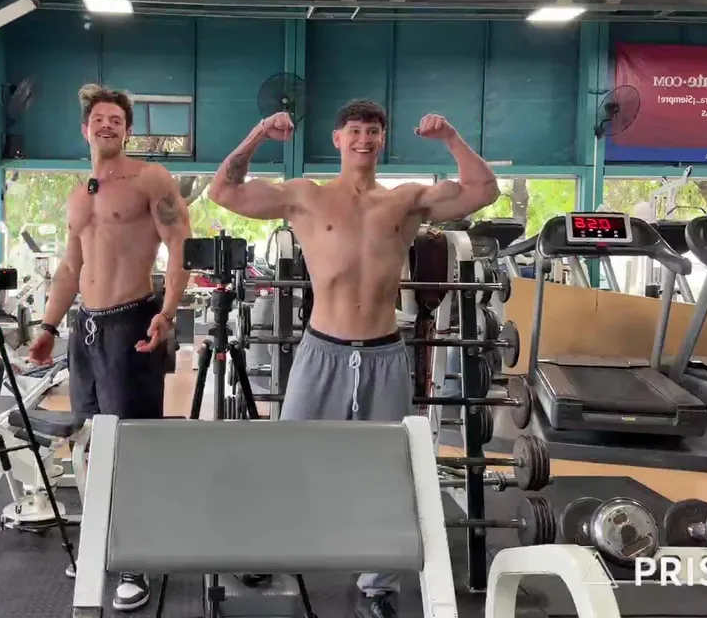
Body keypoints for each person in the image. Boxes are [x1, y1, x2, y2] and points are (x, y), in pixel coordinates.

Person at [207, 99, 499, 618]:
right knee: (287, 460)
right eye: (355, 131)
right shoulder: (305, 196)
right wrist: (259, 133)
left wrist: (451, 138)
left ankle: (377, 586)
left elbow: (484, 190)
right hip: (321, 351)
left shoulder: (406, 200)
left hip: (385, 353)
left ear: (382, 140)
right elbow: (223, 191)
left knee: (386, 471)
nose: (364, 139)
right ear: (337, 139)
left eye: (373, 131)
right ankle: (263, 551)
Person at [25, 83, 192, 612]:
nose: (107, 126)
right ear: (85, 129)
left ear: (127, 130)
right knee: (90, 438)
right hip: (87, 327)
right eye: (99, 118)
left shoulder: (150, 179)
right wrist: (49, 326)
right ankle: (101, 539)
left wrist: (168, 313)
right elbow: (69, 267)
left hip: (131, 321)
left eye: (116, 120)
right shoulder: (79, 194)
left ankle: (135, 556)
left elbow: (180, 247)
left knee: (132, 443)